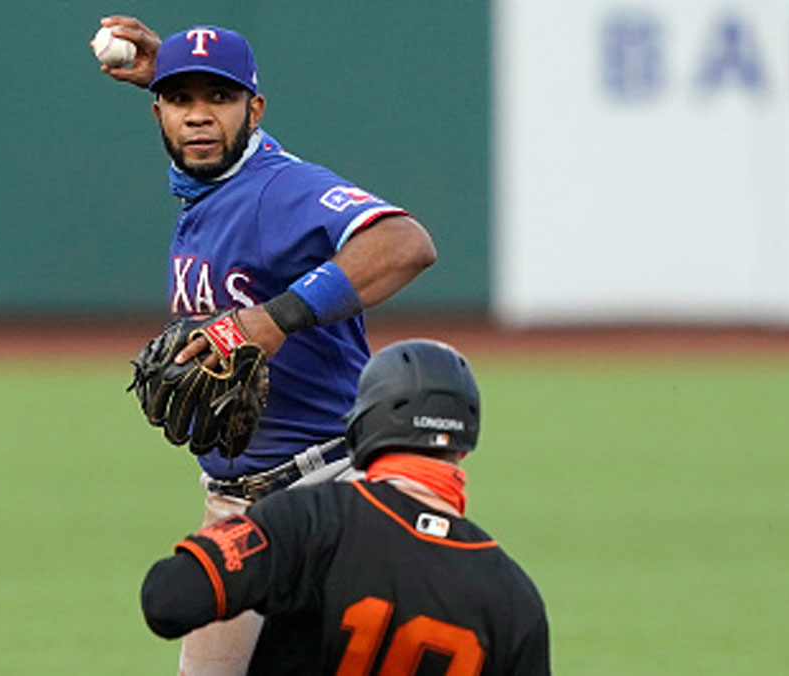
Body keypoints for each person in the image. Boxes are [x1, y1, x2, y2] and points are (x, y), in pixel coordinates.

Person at [96, 16, 438, 673]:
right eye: (180, 99)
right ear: (156, 111)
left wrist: (273, 319)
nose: (199, 117)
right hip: (234, 507)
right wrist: (167, 70)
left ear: (254, 111)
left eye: (219, 99)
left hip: (326, 495)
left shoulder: (277, 190)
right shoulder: (214, 191)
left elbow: (405, 244)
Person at [141, 339, 551, 675]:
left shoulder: (309, 520)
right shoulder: (514, 597)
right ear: (463, 448)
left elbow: (168, 600)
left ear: (362, 423)